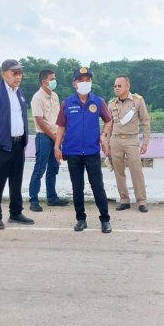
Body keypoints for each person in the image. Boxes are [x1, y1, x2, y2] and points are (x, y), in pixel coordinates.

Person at [54, 66, 113, 234]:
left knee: (97, 186)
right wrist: (57, 146)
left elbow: (108, 120)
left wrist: (104, 136)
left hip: (91, 152)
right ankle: (81, 219)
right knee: (77, 187)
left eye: (88, 80)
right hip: (72, 152)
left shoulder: (98, 101)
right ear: (75, 83)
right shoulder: (67, 103)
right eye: (81, 80)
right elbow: (61, 127)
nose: (85, 83)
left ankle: (105, 220)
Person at [0, 59, 34, 229]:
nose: (18, 76)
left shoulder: (19, 92)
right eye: (14, 73)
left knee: (16, 180)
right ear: (3, 73)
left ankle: (16, 212)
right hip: (1, 145)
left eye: (20, 73)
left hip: (19, 144)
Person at [108, 76, 151, 212]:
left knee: (136, 171)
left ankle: (141, 201)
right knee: (118, 172)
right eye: (115, 86)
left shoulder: (138, 101)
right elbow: (108, 125)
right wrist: (107, 143)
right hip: (115, 140)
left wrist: (145, 142)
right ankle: (124, 200)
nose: (116, 88)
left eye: (119, 86)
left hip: (132, 140)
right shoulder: (111, 104)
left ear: (128, 86)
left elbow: (145, 121)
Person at [27, 69, 69, 212]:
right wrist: (54, 137)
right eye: (52, 79)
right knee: (39, 169)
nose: (54, 81)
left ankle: (52, 197)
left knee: (53, 168)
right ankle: (33, 200)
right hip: (44, 137)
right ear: (44, 81)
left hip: (56, 136)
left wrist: (60, 136)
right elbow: (39, 121)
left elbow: (59, 117)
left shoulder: (55, 96)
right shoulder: (37, 97)